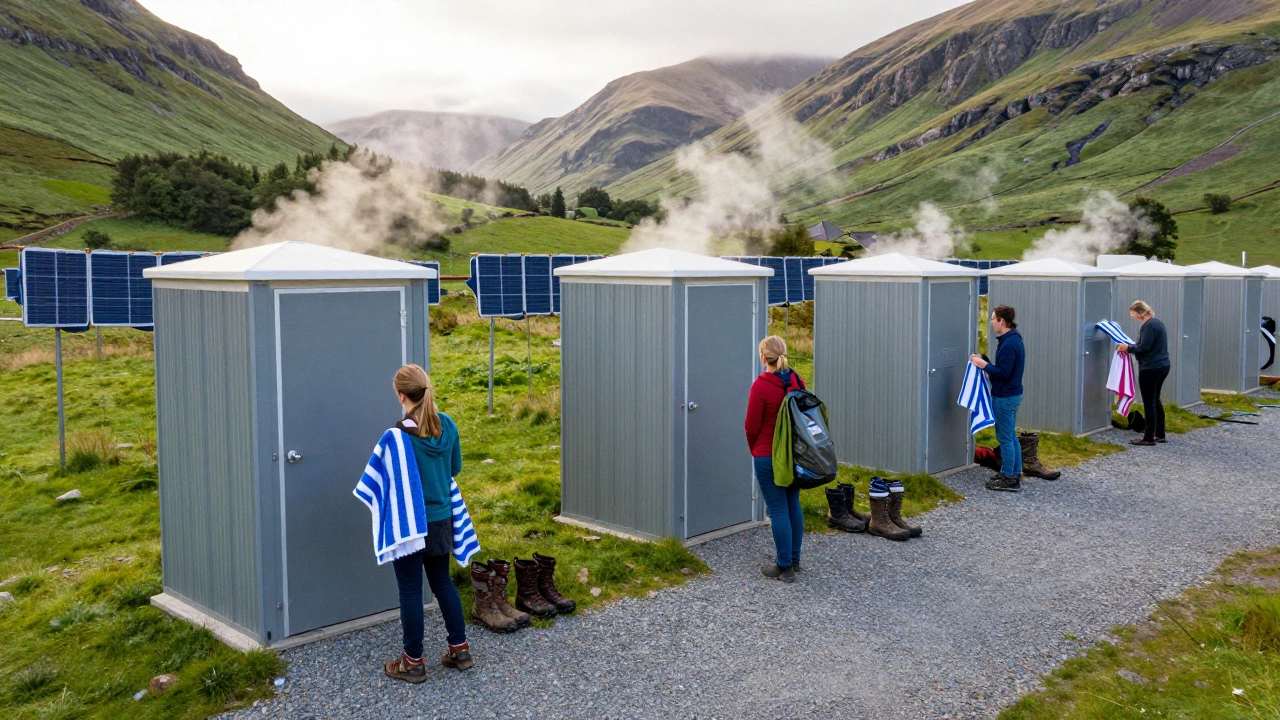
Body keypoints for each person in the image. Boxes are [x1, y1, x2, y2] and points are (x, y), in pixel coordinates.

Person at [382, 364, 472, 682]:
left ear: (401, 395)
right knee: (442, 583)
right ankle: (459, 649)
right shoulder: (447, 424)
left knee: (410, 592)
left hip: (410, 525)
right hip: (442, 520)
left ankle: (413, 662)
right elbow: (455, 468)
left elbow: (387, 483)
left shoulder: (398, 435)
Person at [744, 336, 806, 583]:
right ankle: (795, 559)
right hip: (795, 455)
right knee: (793, 505)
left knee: (778, 508)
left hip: (768, 455)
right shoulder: (797, 380)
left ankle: (784, 567)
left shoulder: (761, 386)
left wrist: (755, 449)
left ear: (763, 356)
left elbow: (751, 426)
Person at [970, 305, 1025, 492]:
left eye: (993, 318)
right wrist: (986, 361)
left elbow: (1003, 373)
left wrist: (983, 364)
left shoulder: (1009, 344)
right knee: (1011, 436)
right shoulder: (1012, 339)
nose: (991, 322)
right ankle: (1014, 472)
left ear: (1002, 321)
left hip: (1005, 397)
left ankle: (1009, 478)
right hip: (1013, 394)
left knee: (1005, 438)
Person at [1117, 300, 1169, 446]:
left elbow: (1144, 347)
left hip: (1150, 368)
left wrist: (1127, 348)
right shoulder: (1157, 323)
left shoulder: (1148, 326)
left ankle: (1148, 437)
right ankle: (1160, 433)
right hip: (1163, 365)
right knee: (1155, 399)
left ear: (1139, 312)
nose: (1133, 317)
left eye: (1133, 314)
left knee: (1149, 402)